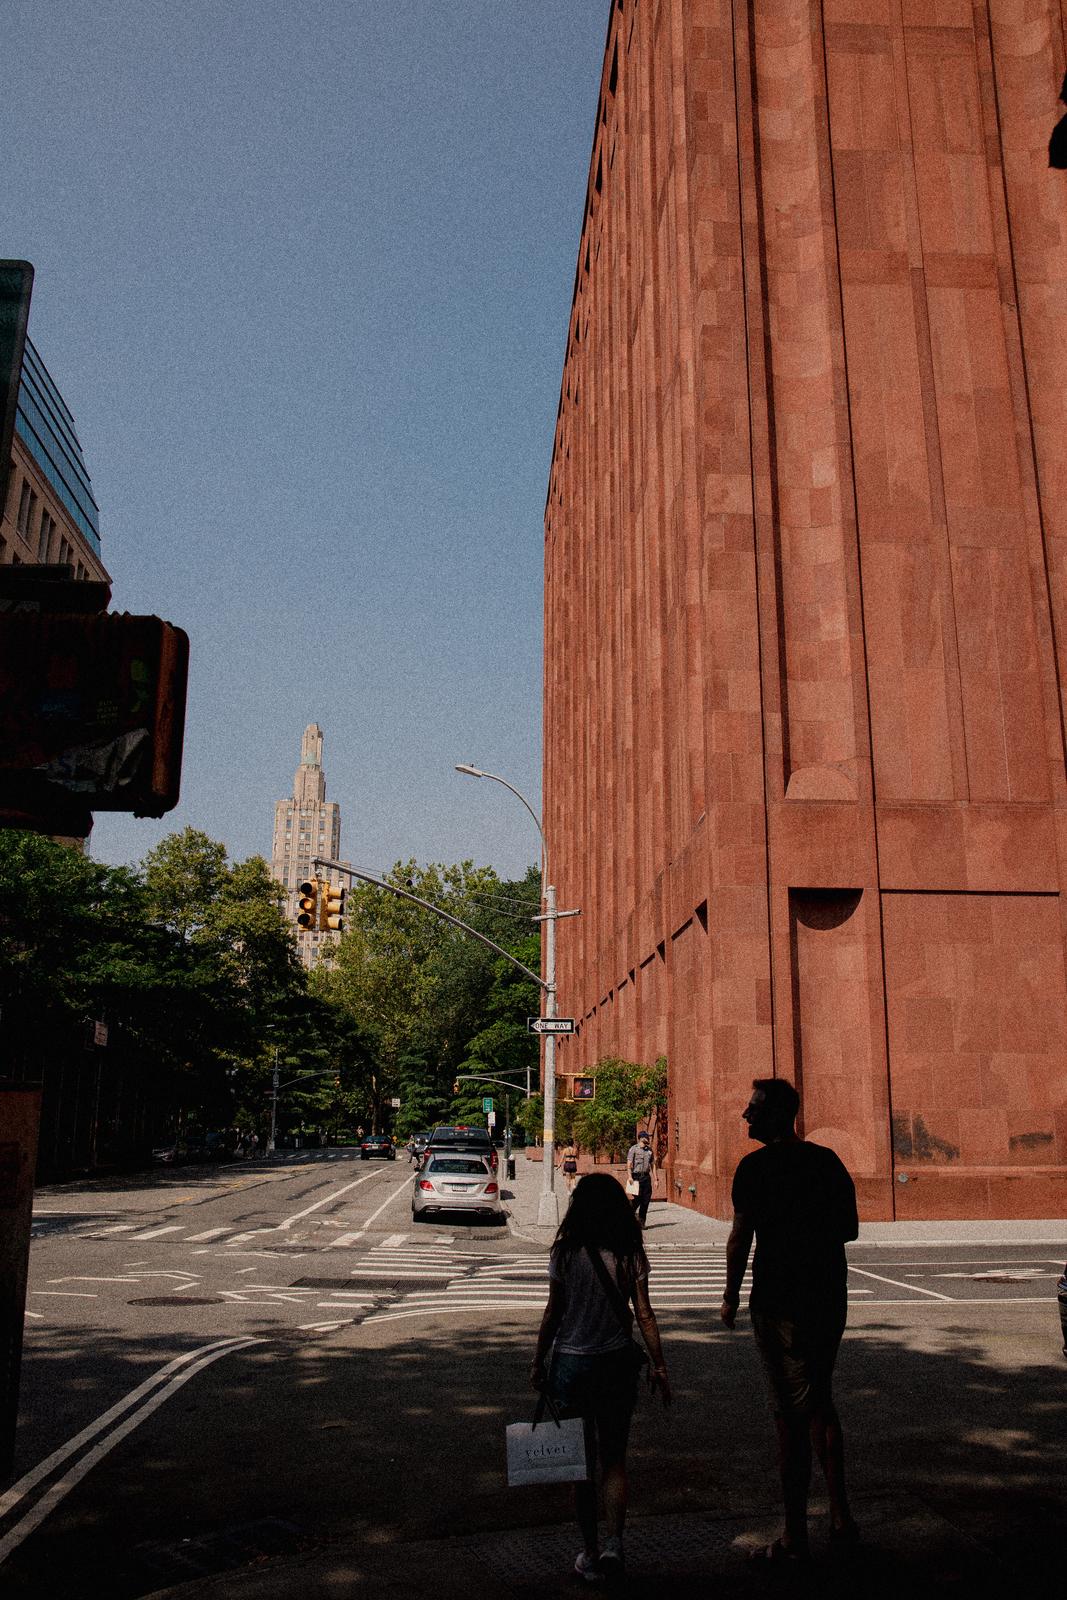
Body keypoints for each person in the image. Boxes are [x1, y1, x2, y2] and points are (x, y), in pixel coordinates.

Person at [720, 1078, 859, 1564]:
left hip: (780, 1303)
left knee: (790, 1418)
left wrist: (730, 1297)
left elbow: (740, 1240)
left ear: (778, 1114)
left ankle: (795, 1537)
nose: (746, 1116)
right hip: (827, 1297)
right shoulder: (827, 1162)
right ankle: (840, 1516)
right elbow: (849, 1230)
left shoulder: (753, 1169)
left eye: (754, 1109)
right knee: (821, 1399)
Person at [531, 1172, 670, 1582]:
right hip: (615, 1364)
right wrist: (660, 1365)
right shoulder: (629, 1251)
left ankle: (589, 1551)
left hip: (571, 1366)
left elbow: (553, 1313)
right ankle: (615, 1547)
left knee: (581, 1465)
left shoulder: (565, 1252)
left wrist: (538, 1360)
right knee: (614, 1459)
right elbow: (644, 1313)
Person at [625, 1130, 655, 1226]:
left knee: (645, 1201)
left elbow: (653, 1165)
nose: (648, 1139)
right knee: (637, 1199)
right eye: (646, 1137)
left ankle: (642, 1222)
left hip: (646, 1177)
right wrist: (630, 1177)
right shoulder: (633, 1149)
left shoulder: (650, 1151)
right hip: (636, 1177)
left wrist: (656, 1179)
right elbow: (629, 1164)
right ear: (641, 1138)